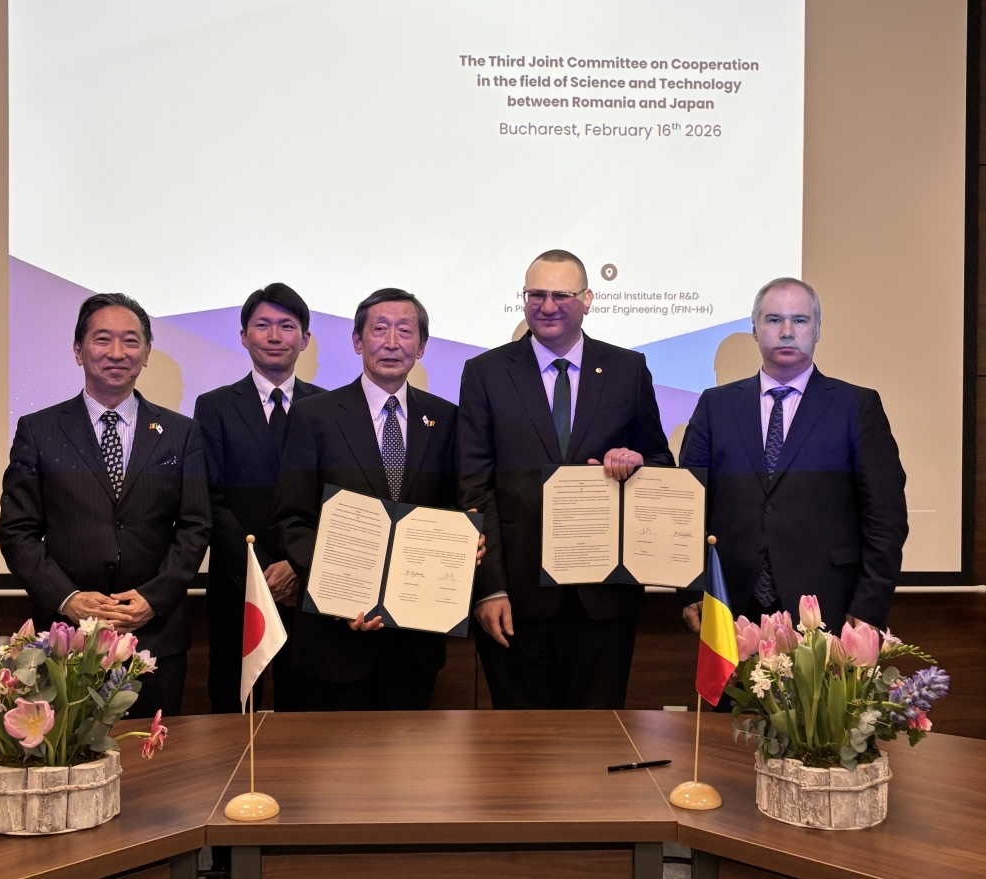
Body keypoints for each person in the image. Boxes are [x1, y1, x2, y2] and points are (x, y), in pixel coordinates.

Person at [456, 249, 674, 709]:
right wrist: (489, 587)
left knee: (597, 747)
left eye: (561, 294)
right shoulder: (485, 374)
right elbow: (474, 487)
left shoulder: (628, 370)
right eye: (536, 294)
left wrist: (635, 461)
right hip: (515, 599)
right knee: (521, 751)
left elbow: (659, 462)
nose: (547, 306)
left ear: (588, 299)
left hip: (604, 601)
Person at [0, 293, 211, 717]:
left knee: (156, 768)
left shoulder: (179, 433)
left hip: (155, 636)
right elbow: (17, 531)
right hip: (64, 638)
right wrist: (68, 599)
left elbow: (195, 527)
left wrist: (153, 598)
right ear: (78, 350)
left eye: (131, 341)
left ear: (147, 353)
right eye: (102, 339)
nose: (117, 352)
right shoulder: (39, 431)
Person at [273, 288, 475, 710]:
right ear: (357, 341)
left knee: (406, 768)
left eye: (405, 331)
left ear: (420, 347)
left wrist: (468, 541)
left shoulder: (446, 419)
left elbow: (455, 511)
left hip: (415, 638)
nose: (391, 341)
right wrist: (344, 593)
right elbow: (294, 519)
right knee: (333, 771)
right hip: (335, 636)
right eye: (379, 329)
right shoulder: (315, 416)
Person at [680, 277, 908, 632]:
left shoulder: (856, 406)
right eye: (773, 320)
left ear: (817, 330)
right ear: (755, 329)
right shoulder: (714, 406)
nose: (787, 331)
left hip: (830, 608)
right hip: (729, 607)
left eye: (800, 320)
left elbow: (886, 518)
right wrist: (692, 589)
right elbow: (687, 508)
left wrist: (869, 607)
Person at [194, 283, 324, 713]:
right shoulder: (213, 406)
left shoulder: (328, 407)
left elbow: (334, 500)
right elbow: (209, 497)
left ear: (304, 339)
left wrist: (295, 566)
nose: (274, 336)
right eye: (262, 325)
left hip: (306, 587)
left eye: (287, 326)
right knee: (232, 707)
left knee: (302, 707)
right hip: (237, 585)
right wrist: (263, 569)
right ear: (244, 335)